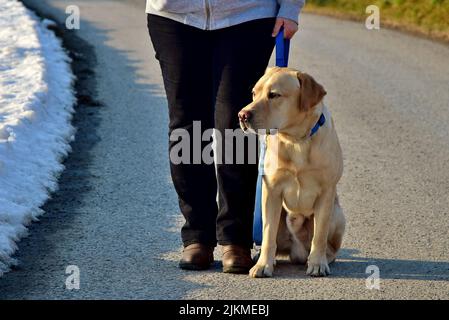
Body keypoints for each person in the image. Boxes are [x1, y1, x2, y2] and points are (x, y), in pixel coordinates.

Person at [146, 0, 304, 274]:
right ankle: (196, 237)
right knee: (187, 127)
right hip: (174, 16)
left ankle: (235, 240)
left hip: (247, 15)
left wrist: (290, 8)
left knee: (235, 124)